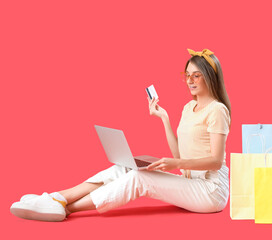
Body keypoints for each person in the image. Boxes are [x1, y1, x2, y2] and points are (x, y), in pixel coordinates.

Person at [10, 48, 232, 222]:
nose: (190, 81)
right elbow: (180, 155)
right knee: (126, 167)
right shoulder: (187, 108)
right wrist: (164, 118)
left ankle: (65, 209)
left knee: (140, 178)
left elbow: (215, 161)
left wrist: (176, 162)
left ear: (210, 77)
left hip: (210, 192)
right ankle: (58, 197)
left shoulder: (217, 110)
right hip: (190, 181)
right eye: (187, 75)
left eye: (197, 76)